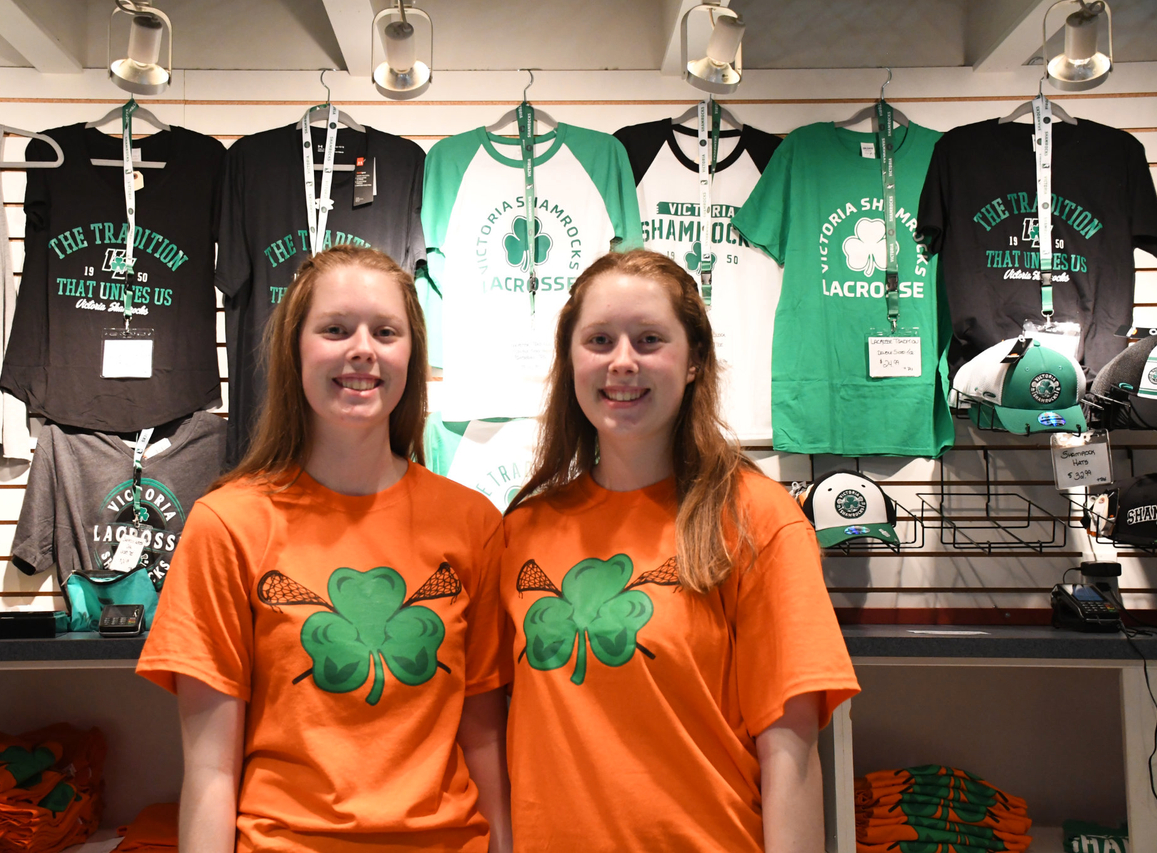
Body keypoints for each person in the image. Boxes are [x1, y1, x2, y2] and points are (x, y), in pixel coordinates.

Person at [137, 245, 512, 853]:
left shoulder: (473, 524)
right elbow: (209, 772)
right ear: (296, 351)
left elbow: (485, 740)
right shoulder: (227, 525)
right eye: (335, 329)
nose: (362, 349)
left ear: (411, 356)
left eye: (385, 332)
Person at [500, 249, 859, 852]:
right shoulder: (523, 531)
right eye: (599, 340)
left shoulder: (757, 519)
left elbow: (791, 753)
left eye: (649, 340)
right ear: (571, 360)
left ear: (693, 360)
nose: (622, 361)